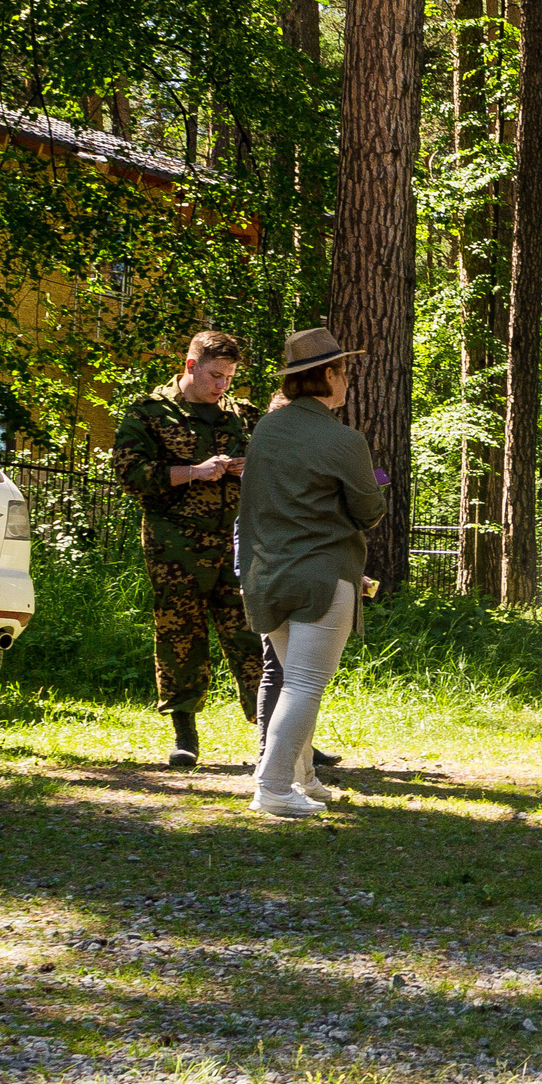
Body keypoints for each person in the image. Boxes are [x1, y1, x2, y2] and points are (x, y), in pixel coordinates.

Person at [238, 330, 385, 818]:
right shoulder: (344, 440)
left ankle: (302, 778)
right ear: (326, 375)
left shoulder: (266, 430)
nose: (348, 380)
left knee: (292, 678)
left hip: (266, 575)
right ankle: (274, 785)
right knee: (302, 684)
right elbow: (368, 511)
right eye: (343, 370)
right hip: (323, 576)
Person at [114, 331, 263, 768]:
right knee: (181, 634)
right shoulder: (150, 412)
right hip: (175, 543)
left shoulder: (243, 416)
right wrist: (194, 472)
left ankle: (280, 737)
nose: (222, 386)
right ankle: (185, 737)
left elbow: (276, 469)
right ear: (190, 364)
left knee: (254, 634)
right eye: (215, 375)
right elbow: (130, 474)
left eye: (230, 378)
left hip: (237, 542)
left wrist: (247, 468)